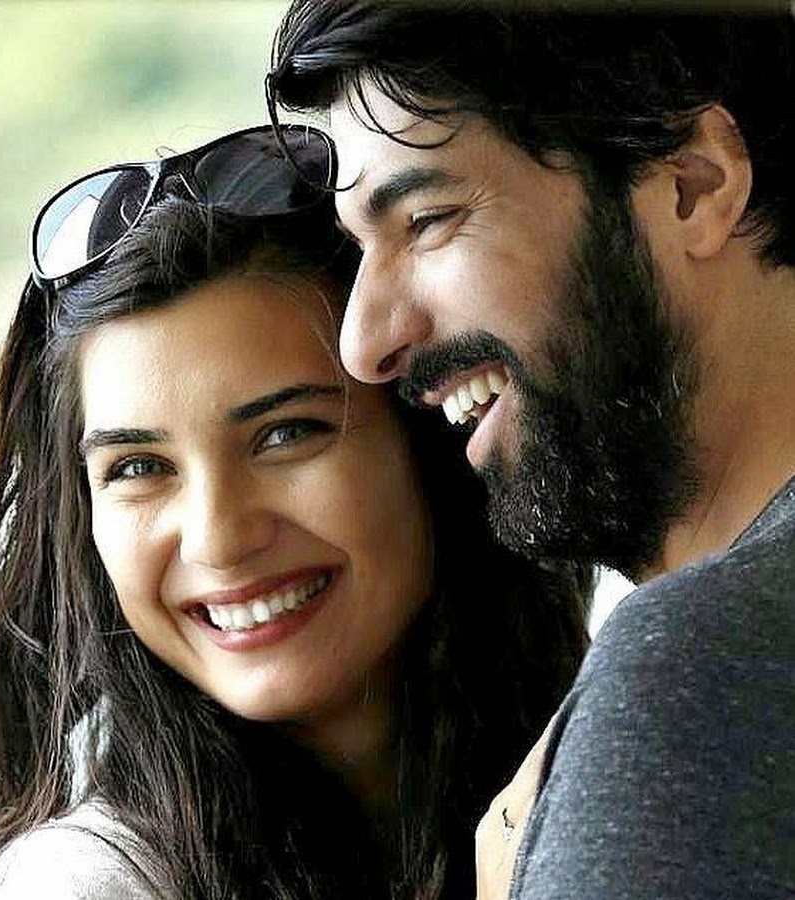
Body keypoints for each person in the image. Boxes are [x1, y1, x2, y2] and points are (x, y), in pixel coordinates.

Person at [0, 125, 590, 900]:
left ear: (432, 447)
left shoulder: (617, 765)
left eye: (285, 435)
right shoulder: (86, 884)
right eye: (140, 468)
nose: (219, 538)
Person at [267, 2, 795, 898]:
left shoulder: (702, 675)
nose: (364, 343)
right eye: (359, 250)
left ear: (694, 185)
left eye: (428, 219)